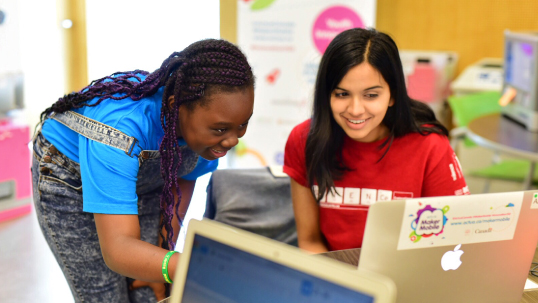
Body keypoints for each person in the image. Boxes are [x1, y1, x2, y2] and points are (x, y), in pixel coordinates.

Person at [31, 39, 255, 302]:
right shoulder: (121, 130)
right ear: (174, 106)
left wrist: (164, 253)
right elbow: (119, 250)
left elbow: (179, 189)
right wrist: (192, 268)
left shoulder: (209, 136)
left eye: (242, 125)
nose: (232, 140)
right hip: (69, 179)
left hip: (141, 179)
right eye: (221, 129)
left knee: (150, 290)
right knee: (106, 295)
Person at [283, 28, 469, 254]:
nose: (355, 110)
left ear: (393, 95)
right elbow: (310, 241)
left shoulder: (430, 146)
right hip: (334, 278)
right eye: (341, 94)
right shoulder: (304, 141)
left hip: (406, 280)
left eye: (371, 95)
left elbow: (452, 245)